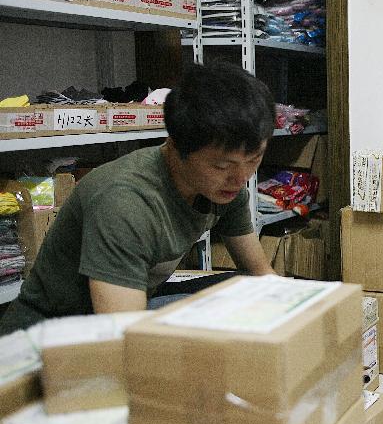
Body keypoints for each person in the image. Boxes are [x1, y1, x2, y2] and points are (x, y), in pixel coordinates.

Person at [0, 62, 277, 335]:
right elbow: (124, 338)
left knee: (250, 292)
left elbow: (262, 277)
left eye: (254, 160)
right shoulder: (124, 200)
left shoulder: (225, 187)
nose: (240, 178)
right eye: (221, 166)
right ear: (176, 146)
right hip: (52, 334)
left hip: (126, 309)